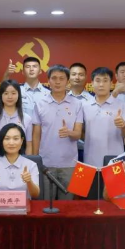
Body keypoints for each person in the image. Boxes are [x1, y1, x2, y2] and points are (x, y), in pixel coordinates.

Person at [32, 65, 84, 199]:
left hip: (69, 164)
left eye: (62, 78)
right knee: (45, 203)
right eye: (54, 78)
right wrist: (36, 159)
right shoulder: (40, 103)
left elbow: (78, 134)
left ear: (68, 81)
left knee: (67, 205)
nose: (57, 82)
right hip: (46, 163)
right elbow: (36, 135)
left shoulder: (77, 104)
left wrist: (69, 132)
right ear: (48, 81)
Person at [81, 67, 125, 168]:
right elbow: (80, 132)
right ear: (92, 83)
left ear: (111, 84)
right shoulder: (84, 105)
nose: (101, 84)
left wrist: (123, 126)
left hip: (115, 160)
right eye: (98, 80)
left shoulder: (122, 106)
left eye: (105, 81)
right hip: (90, 160)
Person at [0, 124, 40, 199]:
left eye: (15, 139)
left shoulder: (31, 165)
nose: (11, 143)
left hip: (24, 206)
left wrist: (29, 181)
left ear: (22, 141)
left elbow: (35, 195)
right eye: (7, 138)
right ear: (2, 141)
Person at [0, 79, 33, 155]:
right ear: (0, 95)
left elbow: (28, 146)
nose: (10, 97)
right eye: (6, 93)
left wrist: (28, 161)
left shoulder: (26, 118)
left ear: (19, 95)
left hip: (19, 161)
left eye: (13, 93)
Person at [67, 62, 93, 162]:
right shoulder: (63, 99)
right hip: (66, 147)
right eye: (74, 74)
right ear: (68, 77)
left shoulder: (93, 99)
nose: (77, 77)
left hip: (87, 148)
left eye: (81, 74)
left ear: (86, 77)